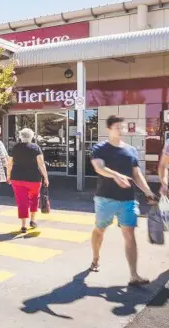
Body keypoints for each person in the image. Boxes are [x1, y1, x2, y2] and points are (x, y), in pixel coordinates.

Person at [90, 115, 155, 286]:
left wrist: (148, 191)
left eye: (122, 127)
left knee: (129, 235)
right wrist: (116, 175)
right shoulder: (100, 148)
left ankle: (134, 275)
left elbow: (136, 174)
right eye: (117, 127)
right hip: (105, 198)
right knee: (99, 230)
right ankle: (96, 258)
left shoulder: (131, 150)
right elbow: (99, 167)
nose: (121, 130)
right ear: (109, 129)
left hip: (128, 199)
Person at [7, 128, 49, 233]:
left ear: (21, 136)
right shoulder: (36, 147)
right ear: (32, 136)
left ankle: (23, 225)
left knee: (21, 201)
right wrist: (46, 177)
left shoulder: (15, 148)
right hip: (34, 178)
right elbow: (41, 163)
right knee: (34, 198)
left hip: (17, 178)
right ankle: (33, 220)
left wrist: (8, 175)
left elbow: (9, 163)